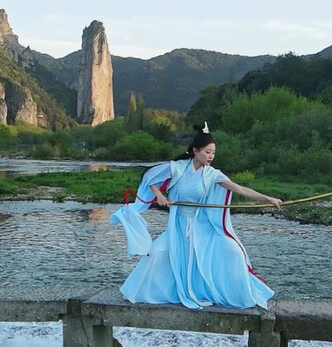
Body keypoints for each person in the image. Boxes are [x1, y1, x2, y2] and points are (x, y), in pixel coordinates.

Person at [111, 122, 282, 310]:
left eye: (213, 153)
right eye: (207, 152)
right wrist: (160, 195)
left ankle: (238, 292)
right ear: (195, 150)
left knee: (232, 251)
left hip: (201, 226)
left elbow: (239, 188)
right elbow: (150, 177)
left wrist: (268, 198)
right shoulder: (176, 168)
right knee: (157, 252)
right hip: (177, 226)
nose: (211, 156)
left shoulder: (212, 175)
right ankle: (139, 291)